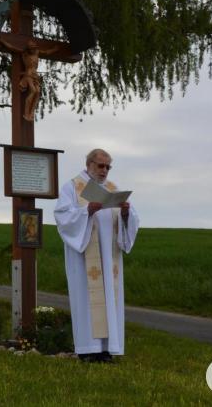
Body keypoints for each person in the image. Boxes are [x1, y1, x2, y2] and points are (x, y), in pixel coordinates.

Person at [54, 149, 140, 363]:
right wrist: (87, 211)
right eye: (101, 166)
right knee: (86, 298)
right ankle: (86, 349)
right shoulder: (72, 187)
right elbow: (62, 216)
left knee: (109, 300)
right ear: (89, 164)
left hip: (109, 259)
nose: (104, 171)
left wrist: (126, 214)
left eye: (108, 167)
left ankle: (106, 349)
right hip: (84, 259)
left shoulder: (112, 189)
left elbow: (129, 222)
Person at [0, 35, 59, 121]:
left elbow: (47, 52)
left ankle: (31, 112)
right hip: (28, 75)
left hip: (35, 75)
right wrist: (2, 41)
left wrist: (55, 49)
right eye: (31, 48)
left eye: (34, 48)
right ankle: (26, 113)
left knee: (38, 92)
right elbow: (12, 47)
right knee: (33, 91)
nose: (33, 50)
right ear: (28, 49)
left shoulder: (37, 53)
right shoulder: (24, 54)